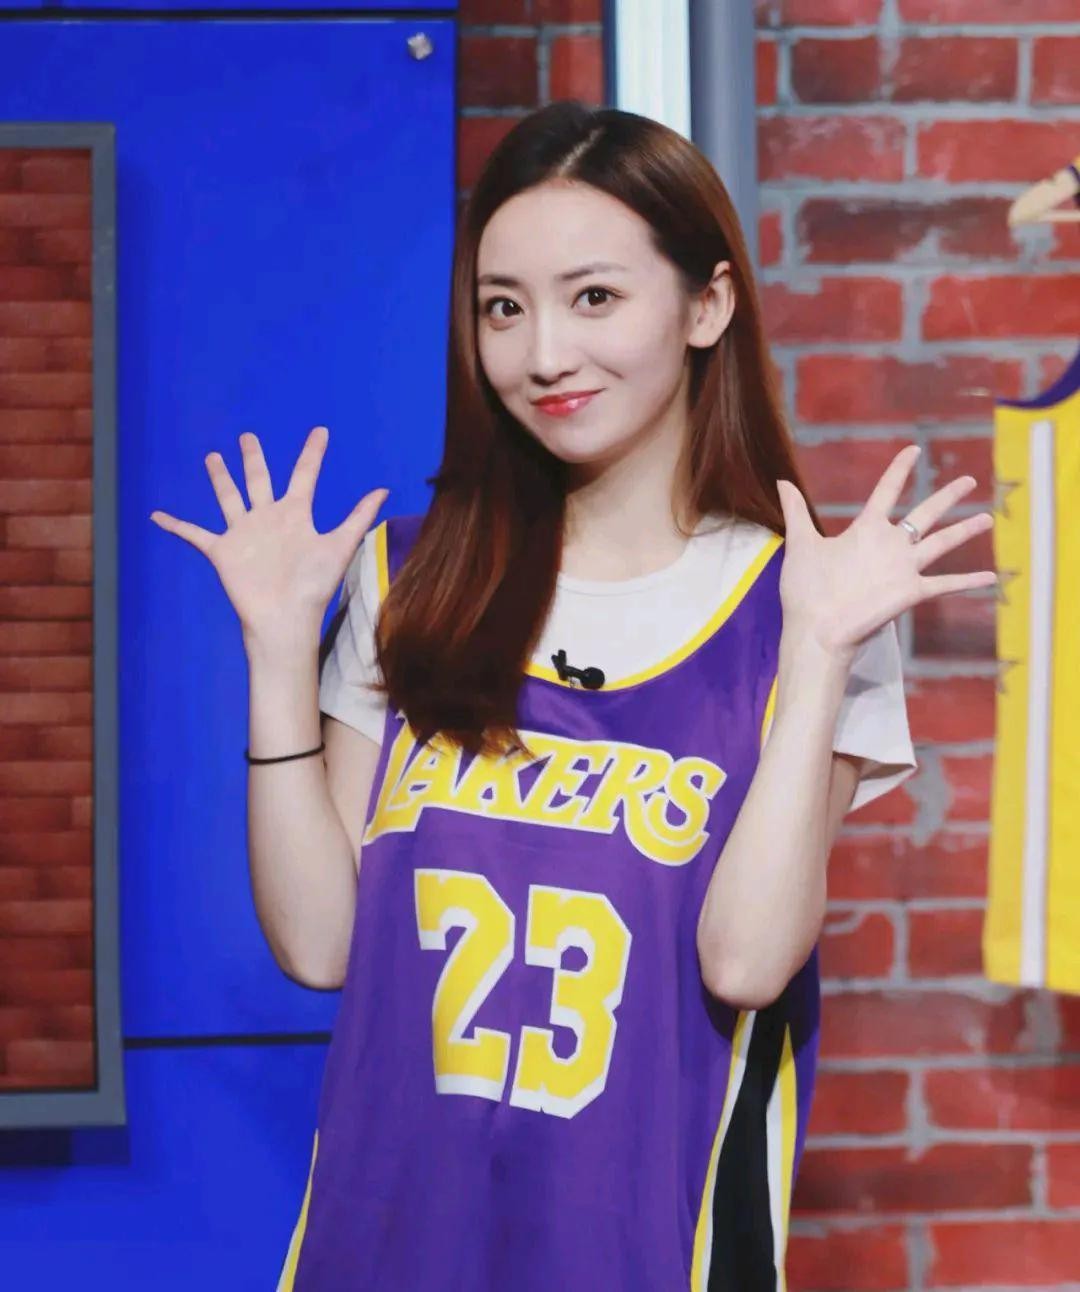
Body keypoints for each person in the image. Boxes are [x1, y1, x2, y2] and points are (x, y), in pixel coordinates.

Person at [150, 100, 996, 1290]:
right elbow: (320, 942)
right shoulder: (410, 578)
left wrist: (813, 656)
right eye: (504, 306)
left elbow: (747, 962)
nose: (544, 352)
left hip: (651, 1250)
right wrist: (281, 655)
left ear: (707, 305)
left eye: (593, 296)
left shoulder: (810, 599)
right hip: (381, 1248)